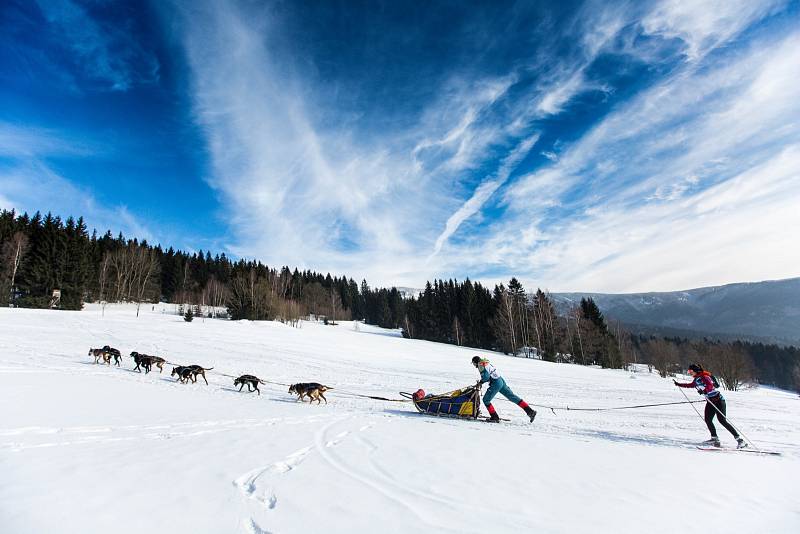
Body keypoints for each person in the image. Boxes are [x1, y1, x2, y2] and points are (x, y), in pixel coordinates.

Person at [674, 363, 745, 448]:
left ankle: (740, 441)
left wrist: (704, 391)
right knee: (708, 419)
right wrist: (679, 384)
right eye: (689, 371)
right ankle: (714, 439)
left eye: (691, 371)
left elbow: (710, 386)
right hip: (710, 402)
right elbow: (690, 385)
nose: (689, 372)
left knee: (722, 420)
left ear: (696, 371)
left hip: (718, 400)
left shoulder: (704, 377)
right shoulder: (697, 379)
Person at [472, 356, 536, 423]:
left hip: (495, 383)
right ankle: (530, 412)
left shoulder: (480, 365)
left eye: (473, 364)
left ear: (476, 362)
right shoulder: (485, 362)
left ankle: (494, 417)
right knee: (512, 397)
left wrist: (481, 382)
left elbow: (486, 377)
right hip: (500, 380)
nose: (474, 365)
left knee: (486, 400)